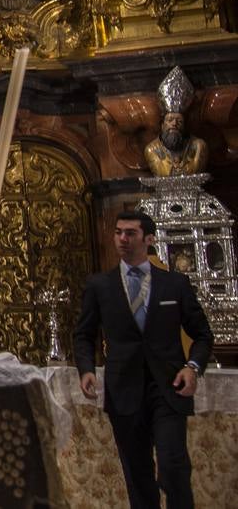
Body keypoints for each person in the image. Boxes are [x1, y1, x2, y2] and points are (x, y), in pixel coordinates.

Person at [73, 209, 213, 509]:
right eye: (118, 232)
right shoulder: (100, 286)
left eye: (130, 233)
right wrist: (85, 369)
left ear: (148, 239)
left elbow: (202, 334)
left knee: (173, 465)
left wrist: (193, 367)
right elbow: (84, 335)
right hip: (124, 389)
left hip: (169, 387)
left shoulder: (175, 284)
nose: (122, 239)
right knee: (138, 475)